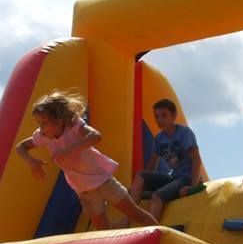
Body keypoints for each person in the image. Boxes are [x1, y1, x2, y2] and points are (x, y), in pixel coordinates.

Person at [16, 90, 157, 230]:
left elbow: (96, 136)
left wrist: (68, 150)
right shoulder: (42, 136)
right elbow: (20, 147)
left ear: (58, 119)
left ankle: (164, 239)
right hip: (84, 191)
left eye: (44, 123)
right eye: (38, 123)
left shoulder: (74, 126)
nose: (41, 129)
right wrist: (31, 161)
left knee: (137, 216)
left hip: (103, 181)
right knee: (102, 229)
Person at [130, 99, 204, 220]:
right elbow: (151, 165)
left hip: (187, 177)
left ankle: (151, 230)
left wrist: (193, 186)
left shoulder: (184, 133)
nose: (159, 120)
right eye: (156, 116)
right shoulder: (159, 138)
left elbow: (196, 160)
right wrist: (139, 187)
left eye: (164, 115)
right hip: (173, 177)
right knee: (140, 176)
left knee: (157, 196)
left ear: (174, 116)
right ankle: (127, 220)